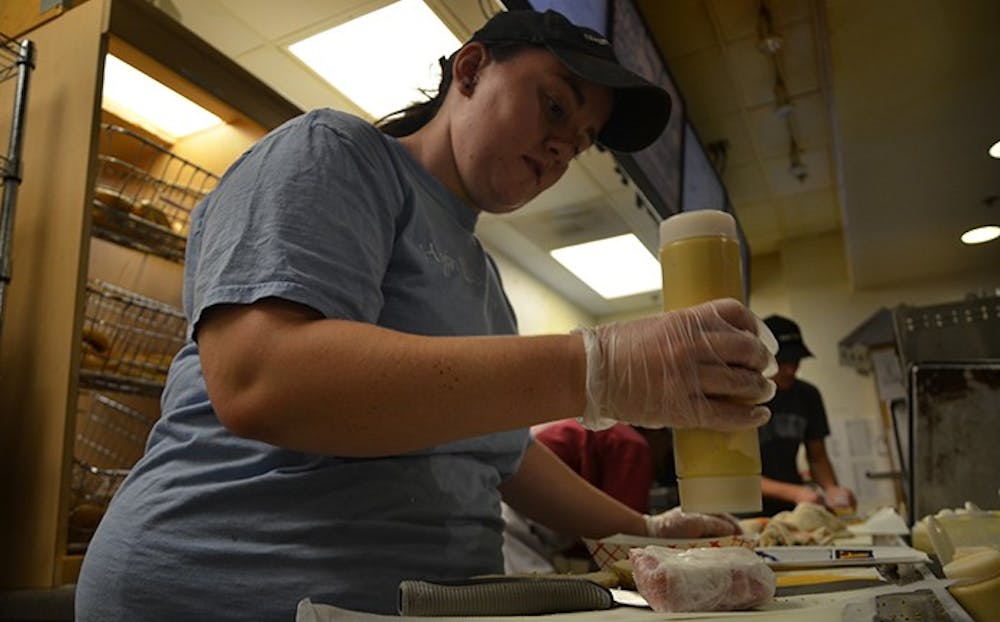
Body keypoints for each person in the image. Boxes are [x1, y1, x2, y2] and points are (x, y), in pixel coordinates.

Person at [75, 9, 778, 620]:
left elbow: (507, 455)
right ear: (469, 70)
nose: (565, 146)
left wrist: (642, 529)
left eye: (582, 139)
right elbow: (261, 378)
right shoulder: (336, 154)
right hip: (233, 594)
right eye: (556, 107)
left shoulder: (483, 279)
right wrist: (596, 365)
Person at [758, 315, 857, 516]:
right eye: (783, 361)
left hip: (793, 508)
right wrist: (795, 492)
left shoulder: (807, 395)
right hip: (748, 511)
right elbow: (737, 477)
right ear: (762, 358)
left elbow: (817, 457)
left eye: (795, 360)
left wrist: (831, 490)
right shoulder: (743, 398)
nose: (790, 369)